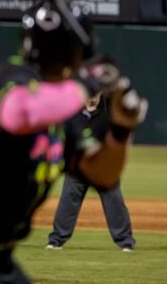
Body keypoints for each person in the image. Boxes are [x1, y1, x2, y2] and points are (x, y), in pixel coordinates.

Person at [0, 3, 148, 283]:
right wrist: (89, 83)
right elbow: (22, 113)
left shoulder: (62, 116)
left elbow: (101, 174)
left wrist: (120, 129)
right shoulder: (8, 79)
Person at [46, 92, 136, 252]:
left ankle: (125, 242)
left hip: (102, 168)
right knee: (67, 201)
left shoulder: (107, 117)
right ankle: (56, 240)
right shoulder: (74, 115)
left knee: (114, 202)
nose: (92, 95)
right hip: (78, 167)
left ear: (100, 94)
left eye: (96, 92)